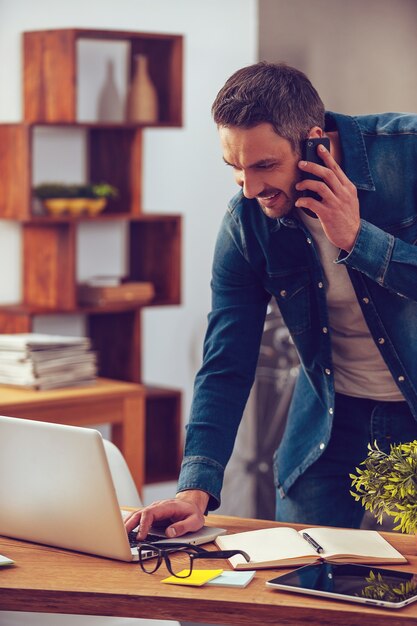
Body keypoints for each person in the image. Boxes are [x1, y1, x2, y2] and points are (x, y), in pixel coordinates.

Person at [125, 61, 417, 540]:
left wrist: (357, 239)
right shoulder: (247, 219)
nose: (250, 188)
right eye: (235, 168)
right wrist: (192, 489)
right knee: (300, 585)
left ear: (315, 140)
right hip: (331, 420)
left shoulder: (407, 154)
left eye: (263, 165)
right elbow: (226, 360)